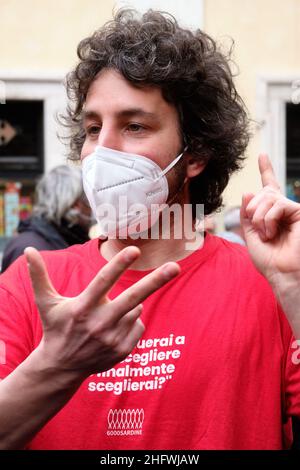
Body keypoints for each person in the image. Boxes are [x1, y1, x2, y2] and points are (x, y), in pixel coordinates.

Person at [0, 9, 300, 450]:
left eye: (134, 126)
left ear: (195, 154)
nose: (101, 153)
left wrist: (295, 292)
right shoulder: (32, 284)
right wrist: (57, 364)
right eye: (92, 129)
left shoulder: (268, 283)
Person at [1, 165, 92, 273]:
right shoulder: (30, 249)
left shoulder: (64, 241)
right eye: (90, 201)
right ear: (75, 205)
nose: (93, 208)